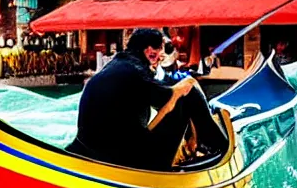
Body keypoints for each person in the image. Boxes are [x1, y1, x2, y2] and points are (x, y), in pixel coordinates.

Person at [66, 29, 227, 171]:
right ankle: (218, 146)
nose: (158, 63)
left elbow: (162, 97)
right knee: (189, 92)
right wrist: (190, 84)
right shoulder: (136, 72)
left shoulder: (117, 66)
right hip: (126, 162)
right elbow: (170, 98)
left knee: (181, 91)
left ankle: (202, 143)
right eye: (158, 57)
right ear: (149, 52)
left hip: (87, 152)